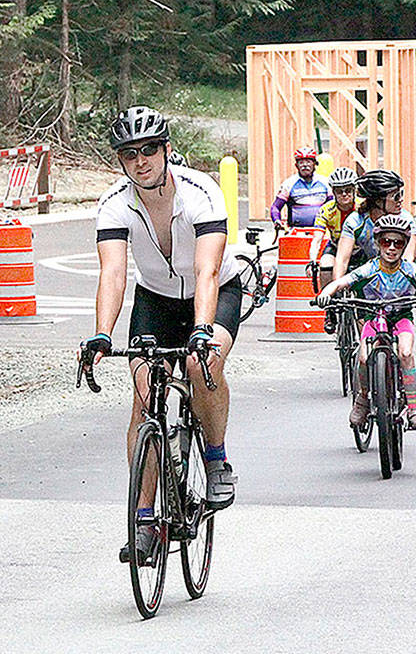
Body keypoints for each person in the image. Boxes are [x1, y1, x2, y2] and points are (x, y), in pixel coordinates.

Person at [81, 106, 240, 565]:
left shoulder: (201, 193)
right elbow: (113, 272)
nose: (141, 160)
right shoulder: (114, 203)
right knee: (144, 391)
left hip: (213, 292)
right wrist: (100, 334)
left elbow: (207, 270)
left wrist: (204, 330)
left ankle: (214, 458)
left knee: (200, 363)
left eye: (150, 149)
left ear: (167, 150)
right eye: (130, 154)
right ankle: (146, 519)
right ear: (121, 161)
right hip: (155, 299)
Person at [315, 213, 416, 432]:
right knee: (365, 357)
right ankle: (362, 401)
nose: (392, 248)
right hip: (373, 319)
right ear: (377, 243)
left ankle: (413, 409)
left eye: (398, 243)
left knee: (405, 352)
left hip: (401, 318)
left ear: (404, 246)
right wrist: (325, 294)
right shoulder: (369, 268)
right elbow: (341, 283)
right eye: (386, 242)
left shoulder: (409, 269)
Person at [334, 169, 416, 279]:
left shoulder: (406, 219)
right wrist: (336, 289)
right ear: (378, 201)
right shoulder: (355, 221)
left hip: (399, 269)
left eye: (401, 194)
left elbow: (408, 258)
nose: (401, 200)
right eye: (396, 196)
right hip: (368, 269)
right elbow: (342, 261)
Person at [311, 166, 359, 293]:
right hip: (336, 246)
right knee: (325, 263)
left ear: (354, 190)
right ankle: (330, 305)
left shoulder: (363, 207)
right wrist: (312, 261)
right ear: (333, 192)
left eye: (348, 190)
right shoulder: (326, 210)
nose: (344, 194)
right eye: (339, 191)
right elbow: (317, 239)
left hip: (359, 248)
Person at [271, 146, 330, 229]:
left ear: (314, 164)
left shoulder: (326, 182)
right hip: (296, 230)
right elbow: (276, 207)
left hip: (323, 229)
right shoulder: (288, 184)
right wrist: (277, 221)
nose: (305, 165)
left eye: (308, 162)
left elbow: (334, 205)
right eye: (301, 162)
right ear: (296, 165)